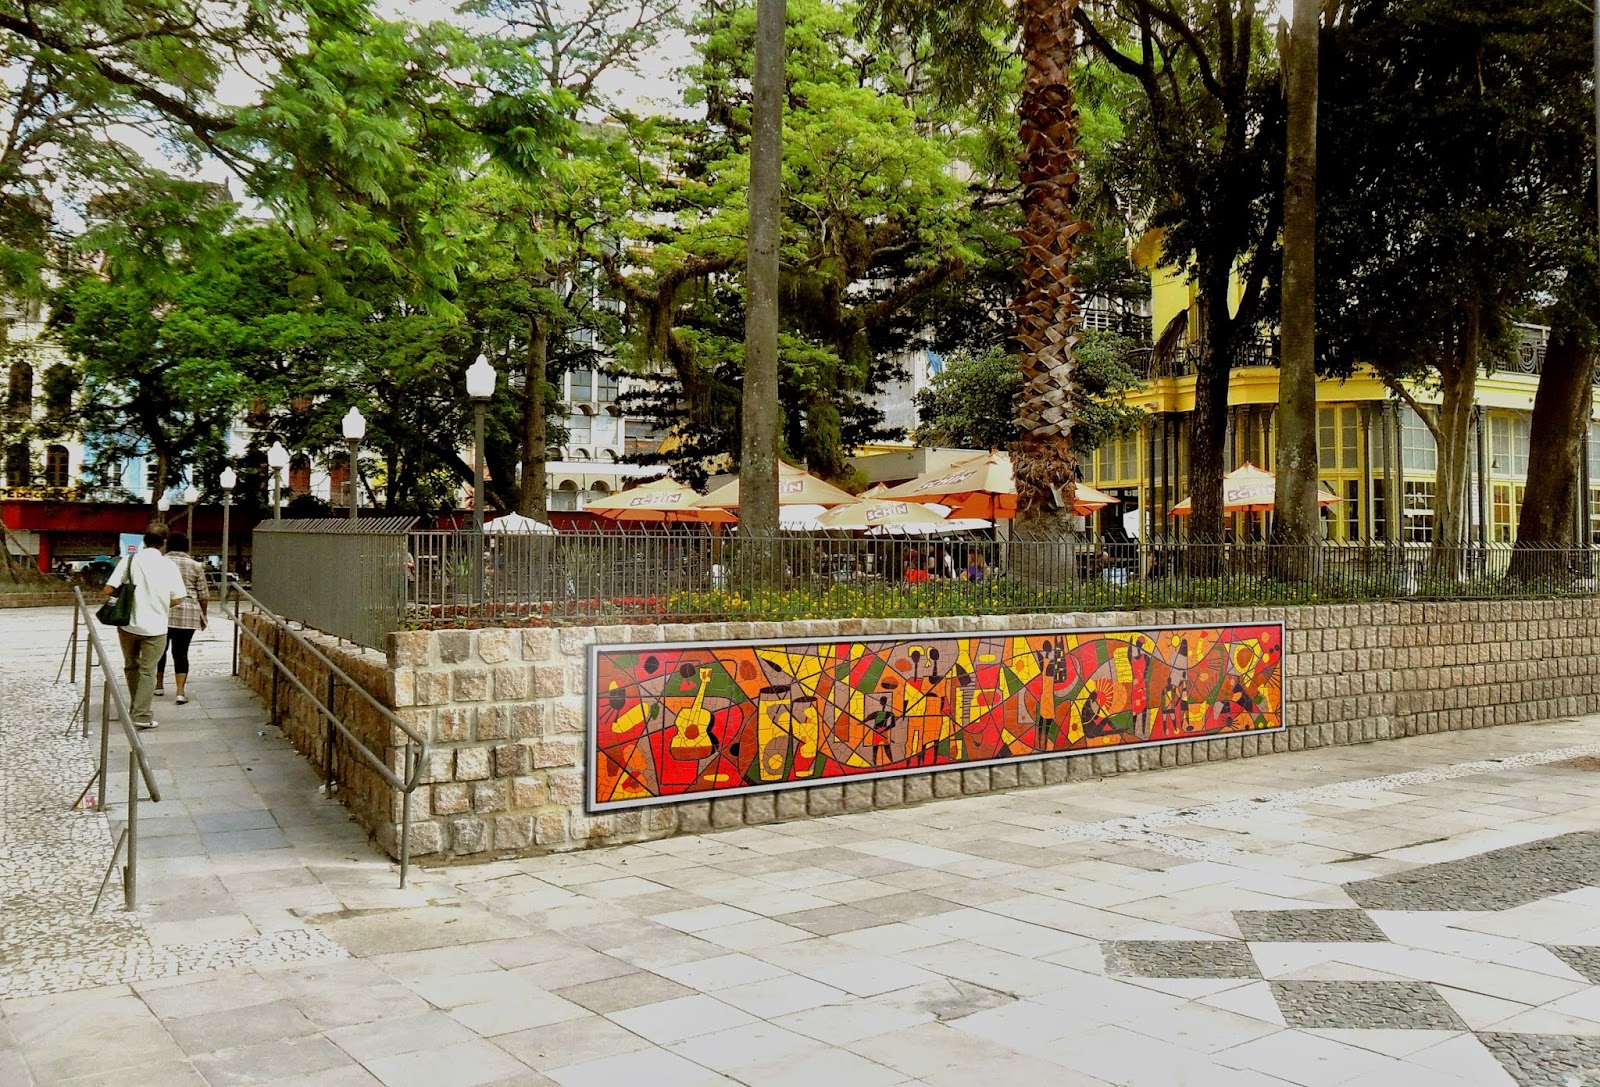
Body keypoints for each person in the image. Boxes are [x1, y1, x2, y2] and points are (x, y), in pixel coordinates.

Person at [102, 524, 189, 730]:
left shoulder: (129, 561)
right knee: (148, 671)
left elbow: (108, 589)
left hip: (128, 625)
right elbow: (178, 598)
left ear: (144, 540)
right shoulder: (169, 566)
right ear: (164, 542)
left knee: (131, 665)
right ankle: (141, 715)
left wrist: (130, 599)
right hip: (156, 627)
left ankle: (136, 706)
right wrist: (160, 603)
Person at [154, 532, 208, 704]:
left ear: (167, 545)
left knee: (159, 650)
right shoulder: (195, 565)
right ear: (186, 546)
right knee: (181, 652)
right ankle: (180, 691)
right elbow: (203, 595)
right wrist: (203, 615)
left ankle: (158, 685)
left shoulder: (160, 562)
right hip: (188, 613)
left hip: (162, 610)